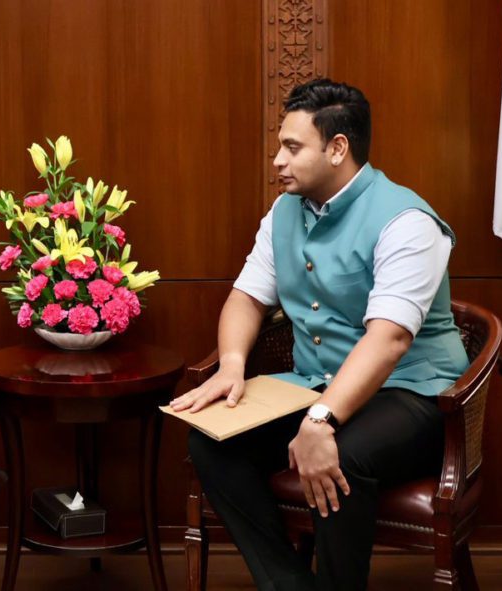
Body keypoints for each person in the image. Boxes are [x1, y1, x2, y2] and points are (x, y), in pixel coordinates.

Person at [170, 79, 469, 591]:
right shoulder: (283, 212)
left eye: (292, 147)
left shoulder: (407, 221)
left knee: (341, 453)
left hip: (415, 394)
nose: (277, 161)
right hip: (316, 382)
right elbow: (246, 298)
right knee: (212, 443)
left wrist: (320, 418)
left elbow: (389, 340)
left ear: (337, 149)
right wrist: (232, 365)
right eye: (279, 147)